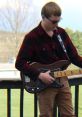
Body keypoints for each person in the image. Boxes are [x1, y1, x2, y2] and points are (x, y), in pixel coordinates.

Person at [15, 2, 82, 117]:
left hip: (63, 80)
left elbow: (74, 57)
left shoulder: (61, 33)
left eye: (58, 21)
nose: (56, 25)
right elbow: (19, 63)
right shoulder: (32, 37)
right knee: (46, 115)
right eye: (53, 22)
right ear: (43, 17)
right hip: (44, 84)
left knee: (69, 114)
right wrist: (39, 75)